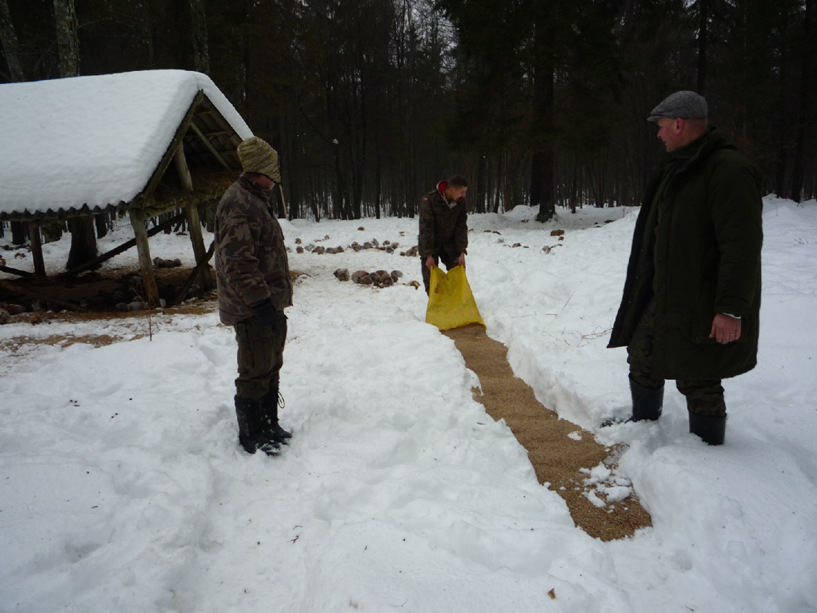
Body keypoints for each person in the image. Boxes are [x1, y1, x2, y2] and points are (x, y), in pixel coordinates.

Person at [607, 90, 763, 445]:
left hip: (704, 297)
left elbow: (742, 246)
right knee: (641, 351)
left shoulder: (729, 170)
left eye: (662, 127)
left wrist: (730, 308)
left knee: (700, 372)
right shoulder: (675, 166)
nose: (658, 135)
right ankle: (643, 424)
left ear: (679, 124)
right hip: (663, 291)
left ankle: (708, 452)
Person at [214, 136, 294, 455]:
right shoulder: (238, 203)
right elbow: (237, 260)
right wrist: (260, 303)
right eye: (270, 173)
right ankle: (251, 434)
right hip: (251, 306)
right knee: (254, 369)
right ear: (257, 171)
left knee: (271, 363)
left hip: (267, 301)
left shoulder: (255, 197)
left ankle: (268, 423)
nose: (275, 180)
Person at [418, 175, 469, 293]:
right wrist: (428, 255)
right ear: (452, 190)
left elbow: (461, 226)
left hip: (450, 244)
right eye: (462, 192)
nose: (463, 195)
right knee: (432, 282)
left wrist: (461, 251)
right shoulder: (429, 200)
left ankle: (456, 305)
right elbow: (426, 228)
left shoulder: (460, 202)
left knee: (458, 275)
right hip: (431, 243)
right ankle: (437, 308)